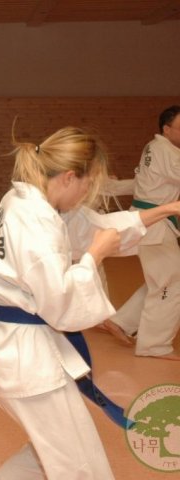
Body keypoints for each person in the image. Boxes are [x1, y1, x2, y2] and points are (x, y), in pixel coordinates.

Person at [0, 125, 180, 478]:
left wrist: (167, 209)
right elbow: (61, 305)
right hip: (26, 360)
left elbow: (101, 227)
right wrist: (93, 257)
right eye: (89, 184)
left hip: (13, 351)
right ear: (70, 177)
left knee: (49, 453)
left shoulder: (29, 201)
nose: (88, 193)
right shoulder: (36, 221)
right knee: (82, 467)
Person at [103, 105, 180, 360]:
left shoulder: (156, 148)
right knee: (172, 283)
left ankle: (122, 322)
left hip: (152, 223)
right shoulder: (164, 151)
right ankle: (154, 345)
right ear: (166, 129)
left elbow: (142, 183)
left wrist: (111, 186)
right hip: (154, 226)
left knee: (161, 279)